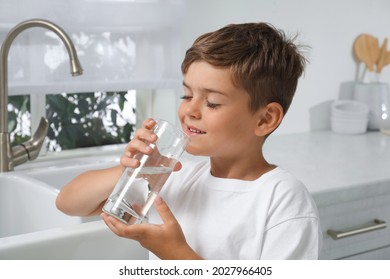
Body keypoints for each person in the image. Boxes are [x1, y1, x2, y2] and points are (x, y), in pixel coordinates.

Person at [56, 22, 322, 260]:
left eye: (212, 102)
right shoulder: (174, 177)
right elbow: (68, 203)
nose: (189, 111)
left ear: (265, 119)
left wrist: (176, 255)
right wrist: (131, 170)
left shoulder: (282, 200)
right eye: (186, 95)